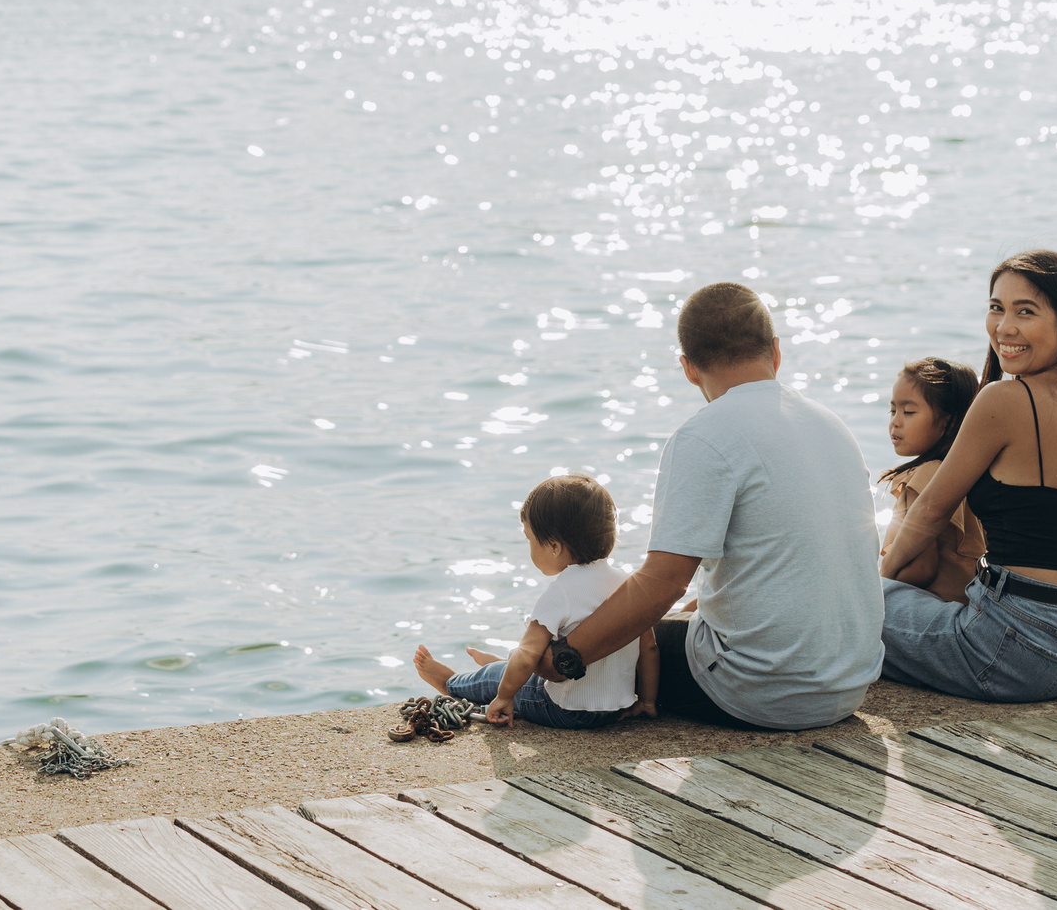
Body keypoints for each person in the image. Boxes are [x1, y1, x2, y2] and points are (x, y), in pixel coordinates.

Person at [535, 282, 884, 731]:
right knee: (658, 624)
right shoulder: (832, 425)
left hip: (758, 692)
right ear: (776, 352)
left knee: (602, 654)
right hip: (848, 686)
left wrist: (565, 657)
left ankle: (489, 679)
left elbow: (663, 583)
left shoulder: (703, 436)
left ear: (688, 368)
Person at [878, 249, 1057, 701]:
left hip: (1017, 648)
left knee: (843, 605)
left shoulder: (1004, 399)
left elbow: (931, 510)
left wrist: (878, 586)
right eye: (996, 308)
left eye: (1025, 311)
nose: (1004, 327)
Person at [409, 475, 658, 730]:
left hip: (565, 709)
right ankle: (503, 664)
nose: (529, 547)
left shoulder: (561, 592)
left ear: (554, 546)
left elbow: (528, 656)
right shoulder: (629, 586)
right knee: (517, 668)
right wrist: (647, 702)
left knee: (496, 677)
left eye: (529, 539)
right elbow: (649, 648)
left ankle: (451, 682)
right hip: (615, 709)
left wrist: (504, 698)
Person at [880, 357, 985, 602]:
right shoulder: (967, 475)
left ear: (949, 421)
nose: (895, 422)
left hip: (935, 606)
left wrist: (880, 583)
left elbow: (921, 569)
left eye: (908, 412)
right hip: (971, 604)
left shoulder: (926, 474)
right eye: (893, 410)